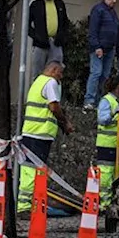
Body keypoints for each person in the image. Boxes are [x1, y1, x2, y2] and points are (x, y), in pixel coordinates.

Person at [18, 60, 75, 213]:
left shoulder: (38, 81)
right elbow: (54, 106)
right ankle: (25, 206)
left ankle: (29, 203)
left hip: (31, 130)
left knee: (31, 167)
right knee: (33, 168)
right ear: (54, 70)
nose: (61, 77)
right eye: (60, 73)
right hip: (40, 132)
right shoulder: (50, 83)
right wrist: (65, 123)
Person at [95, 74, 119, 210]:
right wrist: (112, 113)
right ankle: (105, 204)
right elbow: (102, 120)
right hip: (107, 144)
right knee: (106, 173)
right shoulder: (107, 101)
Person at [85, 0, 119, 108]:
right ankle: (89, 100)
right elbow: (93, 30)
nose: (114, 1)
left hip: (110, 48)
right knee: (96, 72)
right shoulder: (98, 10)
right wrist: (96, 46)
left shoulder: (112, 12)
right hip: (99, 47)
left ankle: (99, 100)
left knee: (105, 75)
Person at [28, 0, 70, 71]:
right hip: (40, 44)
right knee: (38, 72)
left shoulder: (60, 4)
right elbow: (27, 24)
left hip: (56, 43)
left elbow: (66, 22)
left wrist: (62, 36)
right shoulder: (36, 5)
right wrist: (36, 37)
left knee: (56, 71)